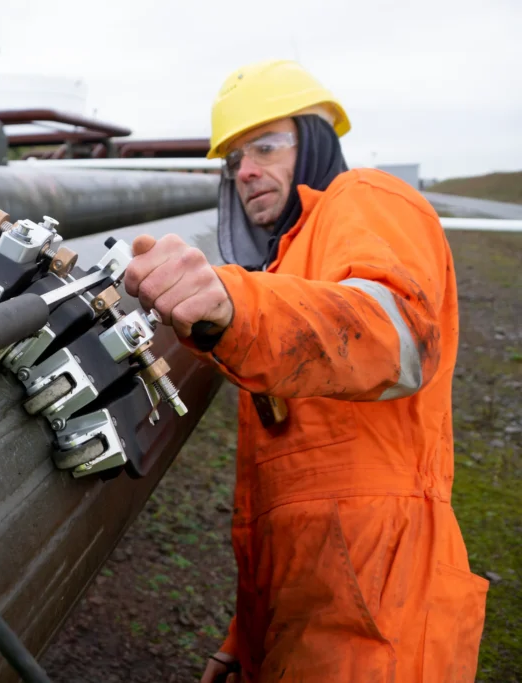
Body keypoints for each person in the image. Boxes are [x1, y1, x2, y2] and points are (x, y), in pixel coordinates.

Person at [122, 59, 489, 682]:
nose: (246, 172)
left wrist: (234, 303)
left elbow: (393, 335)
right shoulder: (288, 266)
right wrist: (248, 636)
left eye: (265, 146)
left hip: (383, 608)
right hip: (309, 610)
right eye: (234, 159)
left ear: (315, 140)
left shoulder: (367, 196)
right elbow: (289, 503)